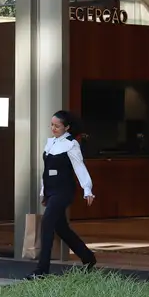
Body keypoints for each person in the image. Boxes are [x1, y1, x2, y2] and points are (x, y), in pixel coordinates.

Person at [27, 110, 97, 280]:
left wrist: (87, 189)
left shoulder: (71, 144)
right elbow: (46, 171)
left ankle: (42, 270)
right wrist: (44, 192)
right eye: (52, 125)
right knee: (62, 229)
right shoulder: (50, 143)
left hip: (63, 191)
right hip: (51, 191)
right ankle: (88, 258)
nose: (53, 128)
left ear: (66, 127)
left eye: (57, 126)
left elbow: (79, 167)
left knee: (47, 223)